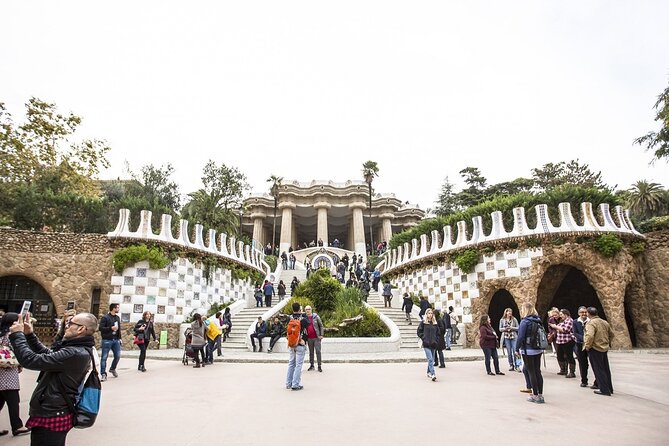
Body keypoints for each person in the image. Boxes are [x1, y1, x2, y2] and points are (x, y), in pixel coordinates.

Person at [10, 311, 98, 445]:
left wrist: (17, 335)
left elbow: (31, 360)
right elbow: (48, 355)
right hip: (56, 411)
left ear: (81, 329)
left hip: (52, 413)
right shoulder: (78, 349)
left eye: (70, 323)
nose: (67, 326)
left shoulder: (74, 352)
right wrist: (29, 335)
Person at [0, 313, 30, 437]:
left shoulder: (1, 334)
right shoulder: (11, 336)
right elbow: (18, 350)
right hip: (8, 373)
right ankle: (17, 426)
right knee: (13, 401)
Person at [516, 302, 546, 403]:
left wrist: (516, 349)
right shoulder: (538, 320)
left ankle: (535, 395)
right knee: (538, 371)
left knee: (531, 372)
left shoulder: (525, 322)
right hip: (538, 348)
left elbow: (520, 337)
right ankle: (540, 395)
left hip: (528, 349)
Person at [584, 307, 614, 396]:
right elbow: (611, 334)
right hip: (604, 347)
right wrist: (608, 343)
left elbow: (590, 335)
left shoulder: (591, 323)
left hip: (595, 348)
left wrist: (587, 346)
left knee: (598, 369)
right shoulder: (604, 322)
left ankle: (604, 389)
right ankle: (609, 388)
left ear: (589, 314)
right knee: (605, 368)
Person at [285, 302, 308, 391]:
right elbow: (308, 324)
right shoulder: (303, 319)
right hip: (300, 344)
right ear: (299, 309)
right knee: (298, 365)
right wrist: (302, 312)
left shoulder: (289, 318)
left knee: (291, 363)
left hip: (291, 344)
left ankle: (288, 383)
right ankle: (295, 384)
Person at [549, 308, 576, 378]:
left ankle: (572, 372)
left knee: (569, 356)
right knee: (560, 355)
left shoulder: (570, 320)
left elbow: (565, 330)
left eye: (561, 314)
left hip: (567, 341)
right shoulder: (562, 321)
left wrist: (555, 327)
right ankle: (563, 370)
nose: (560, 316)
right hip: (560, 341)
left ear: (566, 314)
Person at [98, 303, 121, 382]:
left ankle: (112, 368)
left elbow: (119, 328)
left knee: (117, 356)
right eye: (117, 308)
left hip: (116, 339)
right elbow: (101, 328)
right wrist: (111, 328)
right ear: (113, 308)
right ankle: (103, 374)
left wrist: (120, 338)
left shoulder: (117, 317)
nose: (118, 309)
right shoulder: (105, 317)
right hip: (107, 339)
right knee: (104, 357)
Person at [417, 308, 439, 381]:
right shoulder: (423, 323)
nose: (430, 314)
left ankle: (428, 372)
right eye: (429, 313)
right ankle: (433, 374)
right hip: (426, 344)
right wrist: (424, 338)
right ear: (426, 314)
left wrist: (436, 340)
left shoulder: (435, 323)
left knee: (431, 360)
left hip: (433, 344)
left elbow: (438, 333)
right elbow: (419, 332)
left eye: (431, 313)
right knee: (430, 359)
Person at [573, 306, 590, 387]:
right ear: (579, 313)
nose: (584, 314)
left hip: (590, 344)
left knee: (594, 363)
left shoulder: (590, 321)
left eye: (585, 312)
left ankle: (597, 382)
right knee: (583, 364)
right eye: (582, 312)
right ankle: (584, 380)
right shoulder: (575, 322)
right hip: (580, 344)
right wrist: (584, 339)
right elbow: (575, 333)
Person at [305, 306, 324, 372]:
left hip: (316, 338)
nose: (308, 310)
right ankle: (312, 365)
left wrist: (321, 335)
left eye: (309, 309)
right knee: (311, 352)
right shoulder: (305, 318)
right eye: (306, 309)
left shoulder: (316, 317)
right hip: (309, 338)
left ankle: (319, 366)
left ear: (311, 310)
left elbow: (321, 326)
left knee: (318, 352)